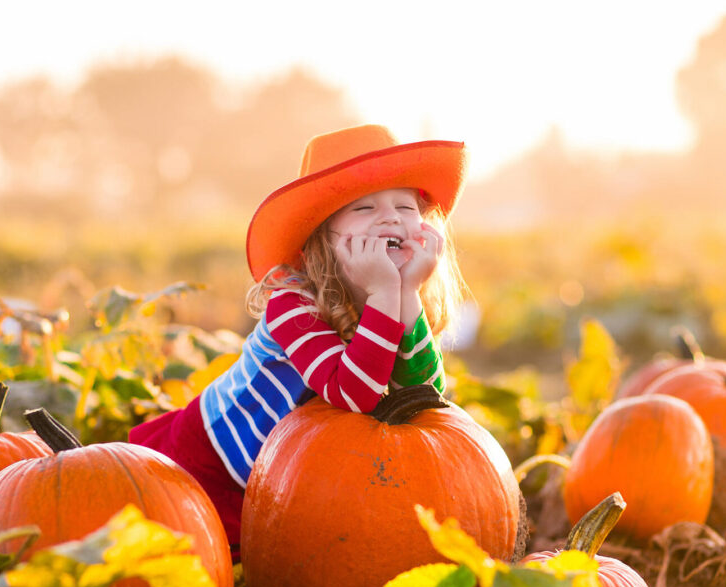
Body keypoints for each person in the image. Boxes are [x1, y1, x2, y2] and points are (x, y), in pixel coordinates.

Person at [129, 124, 470, 558]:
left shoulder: (394, 294)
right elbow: (354, 393)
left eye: (405, 206)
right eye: (363, 208)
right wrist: (387, 293)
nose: (390, 218)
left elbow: (425, 397)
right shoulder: (292, 302)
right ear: (319, 243)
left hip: (285, 478)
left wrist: (406, 296)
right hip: (211, 464)